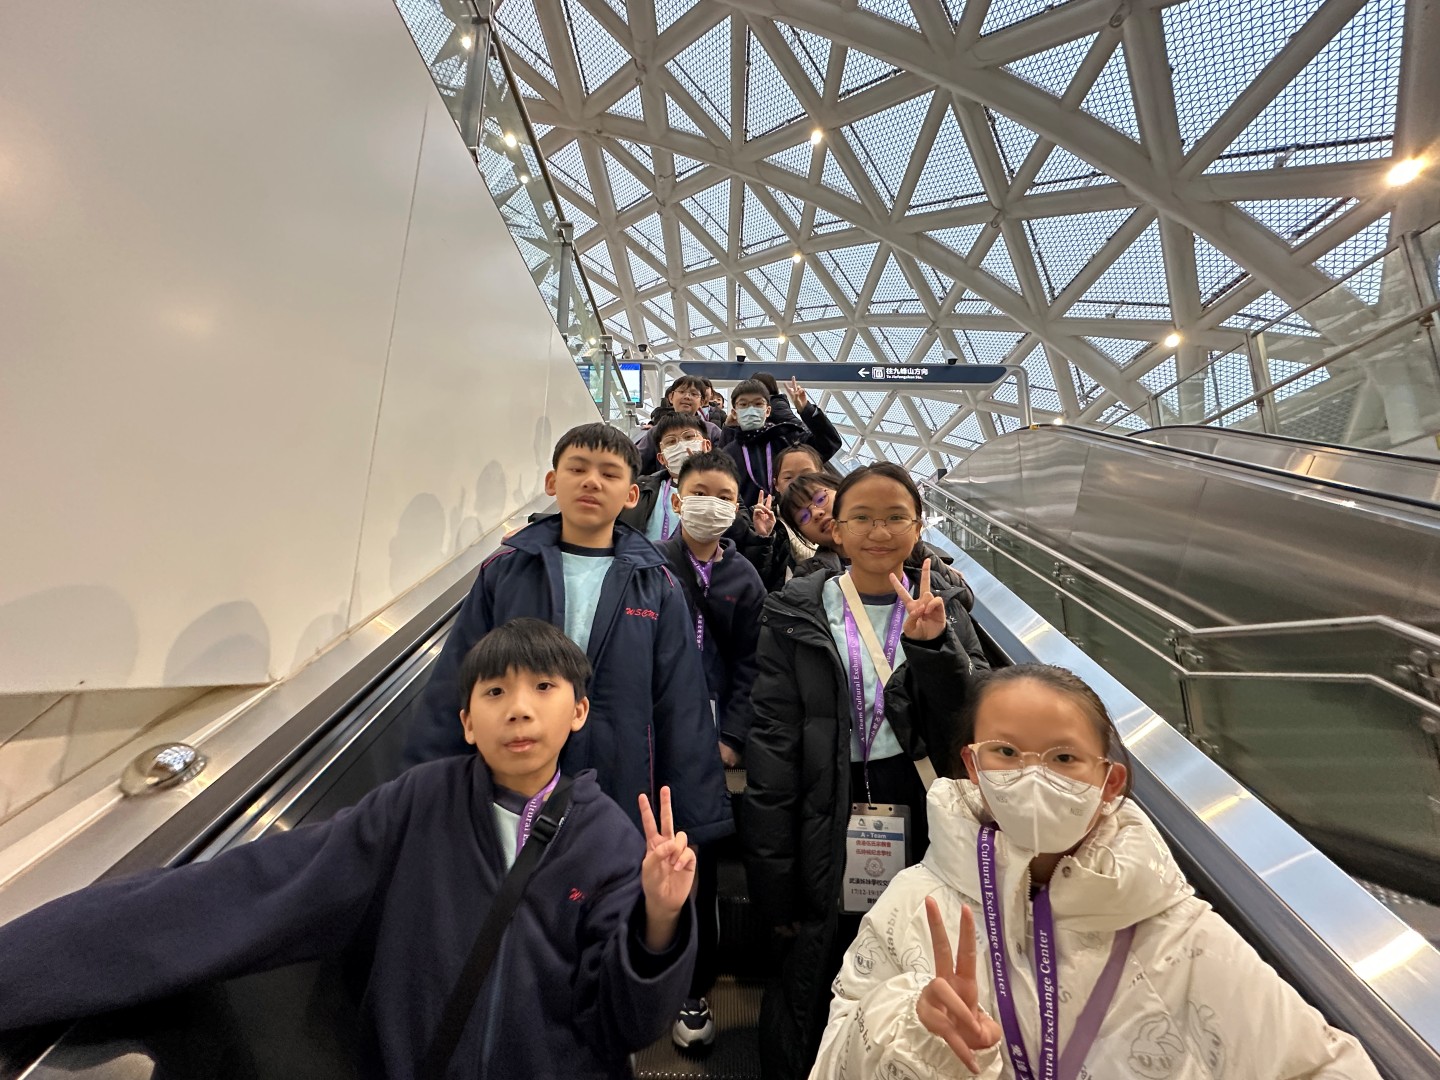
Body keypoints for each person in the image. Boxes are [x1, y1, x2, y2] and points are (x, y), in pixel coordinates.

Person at [0, 618, 702, 1080]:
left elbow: (629, 1023)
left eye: (543, 688)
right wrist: (20, 964)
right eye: (495, 692)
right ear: (466, 722)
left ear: (578, 711)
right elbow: (258, 887)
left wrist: (660, 919)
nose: (519, 708)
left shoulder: (608, 840)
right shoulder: (418, 805)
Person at [810, 663, 1382, 1080]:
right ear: (973, 765)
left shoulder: (1180, 935)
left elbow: (1318, 1064)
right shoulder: (916, 902)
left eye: (1063, 758)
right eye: (1005, 752)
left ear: (1109, 781)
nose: (1033, 777)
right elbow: (834, 1057)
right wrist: (913, 1025)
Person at [743, 462, 990, 1080]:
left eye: (895, 517)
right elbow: (772, 743)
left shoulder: (947, 605)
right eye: (862, 518)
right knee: (822, 954)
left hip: (916, 795)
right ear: (837, 528)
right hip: (826, 795)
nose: (879, 532)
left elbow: (972, 721)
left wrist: (934, 646)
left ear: (919, 526)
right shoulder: (796, 611)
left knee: (913, 946)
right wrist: (773, 884)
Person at [402, 422, 732, 851]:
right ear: (552, 482)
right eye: (577, 469)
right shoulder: (504, 573)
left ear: (632, 495)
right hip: (512, 780)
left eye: (610, 474)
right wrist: (421, 794)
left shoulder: (657, 585)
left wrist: (696, 822)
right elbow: (456, 683)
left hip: (621, 784)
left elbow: (681, 704)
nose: (592, 481)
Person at [658, 449, 768, 1050]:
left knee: (695, 867)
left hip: (709, 742)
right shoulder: (649, 565)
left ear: (737, 508)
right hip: (651, 732)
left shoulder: (743, 578)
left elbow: (753, 663)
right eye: (700, 492)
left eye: (725, 497)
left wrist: (733, 736)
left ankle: (694, 991)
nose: (712, 505)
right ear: (677, 498)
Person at [725, 377, 842, 506]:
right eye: (743, 405)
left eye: (758, 404)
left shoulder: (787, 437)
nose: (751, 410)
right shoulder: (729, 453)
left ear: (768, 411)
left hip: (795, 512)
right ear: (734, 413)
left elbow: (829, 444)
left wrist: (806, 409)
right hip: (751, 517)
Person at [622, 411, 713, 544]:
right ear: (661, 458)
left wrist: (705, 479)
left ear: (707, 446)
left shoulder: (724, 489)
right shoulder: (641, 489)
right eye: (671, 441)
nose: (681, 445)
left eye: (688, 437)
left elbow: (739, 532)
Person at [636, 376, 725, 474]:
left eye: (694, 394)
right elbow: (636, 462)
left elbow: (724, 462)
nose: (687, 397)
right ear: (671, 397)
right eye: (682, 392)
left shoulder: (712, 430)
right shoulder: (656, 431)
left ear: (702, 402)